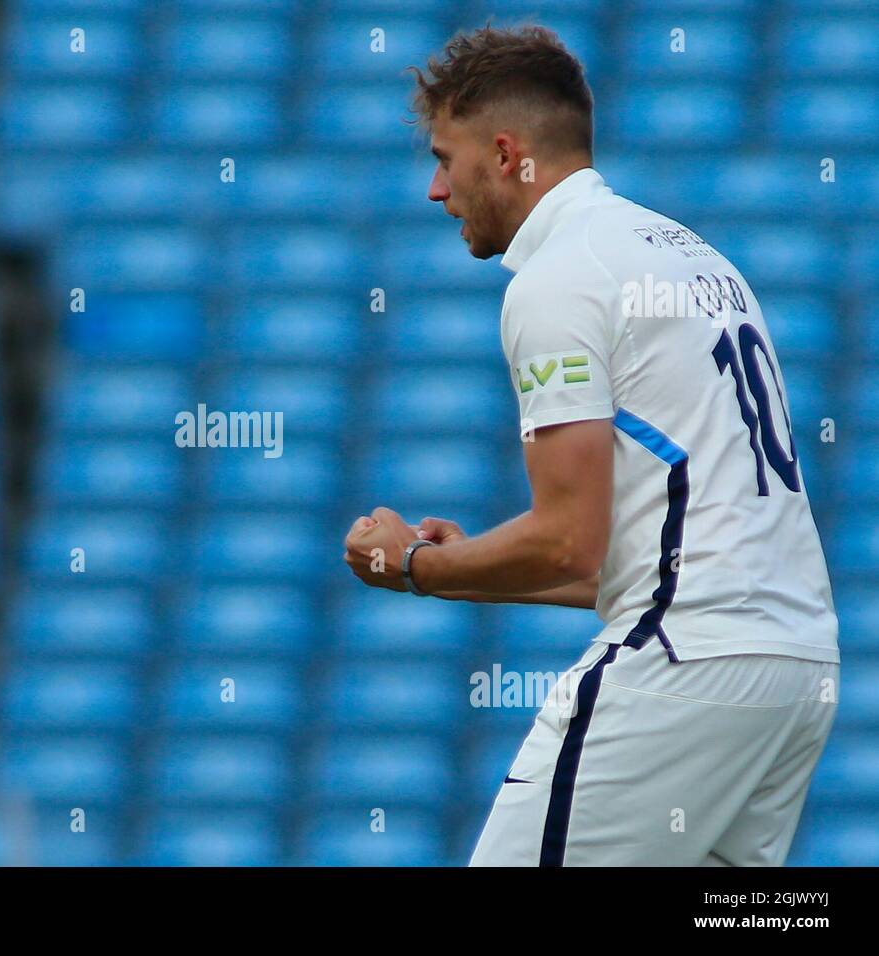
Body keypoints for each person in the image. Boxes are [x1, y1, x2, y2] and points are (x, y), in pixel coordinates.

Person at [343, 25, 839, 866]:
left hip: (685, 663)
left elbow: (568, 537)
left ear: (505, 153)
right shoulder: (692, 256)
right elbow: (643, 553)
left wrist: (414, 567)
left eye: (443, 157)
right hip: (793, 667)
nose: (435, 189)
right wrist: (474, 563)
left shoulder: (560, 276)